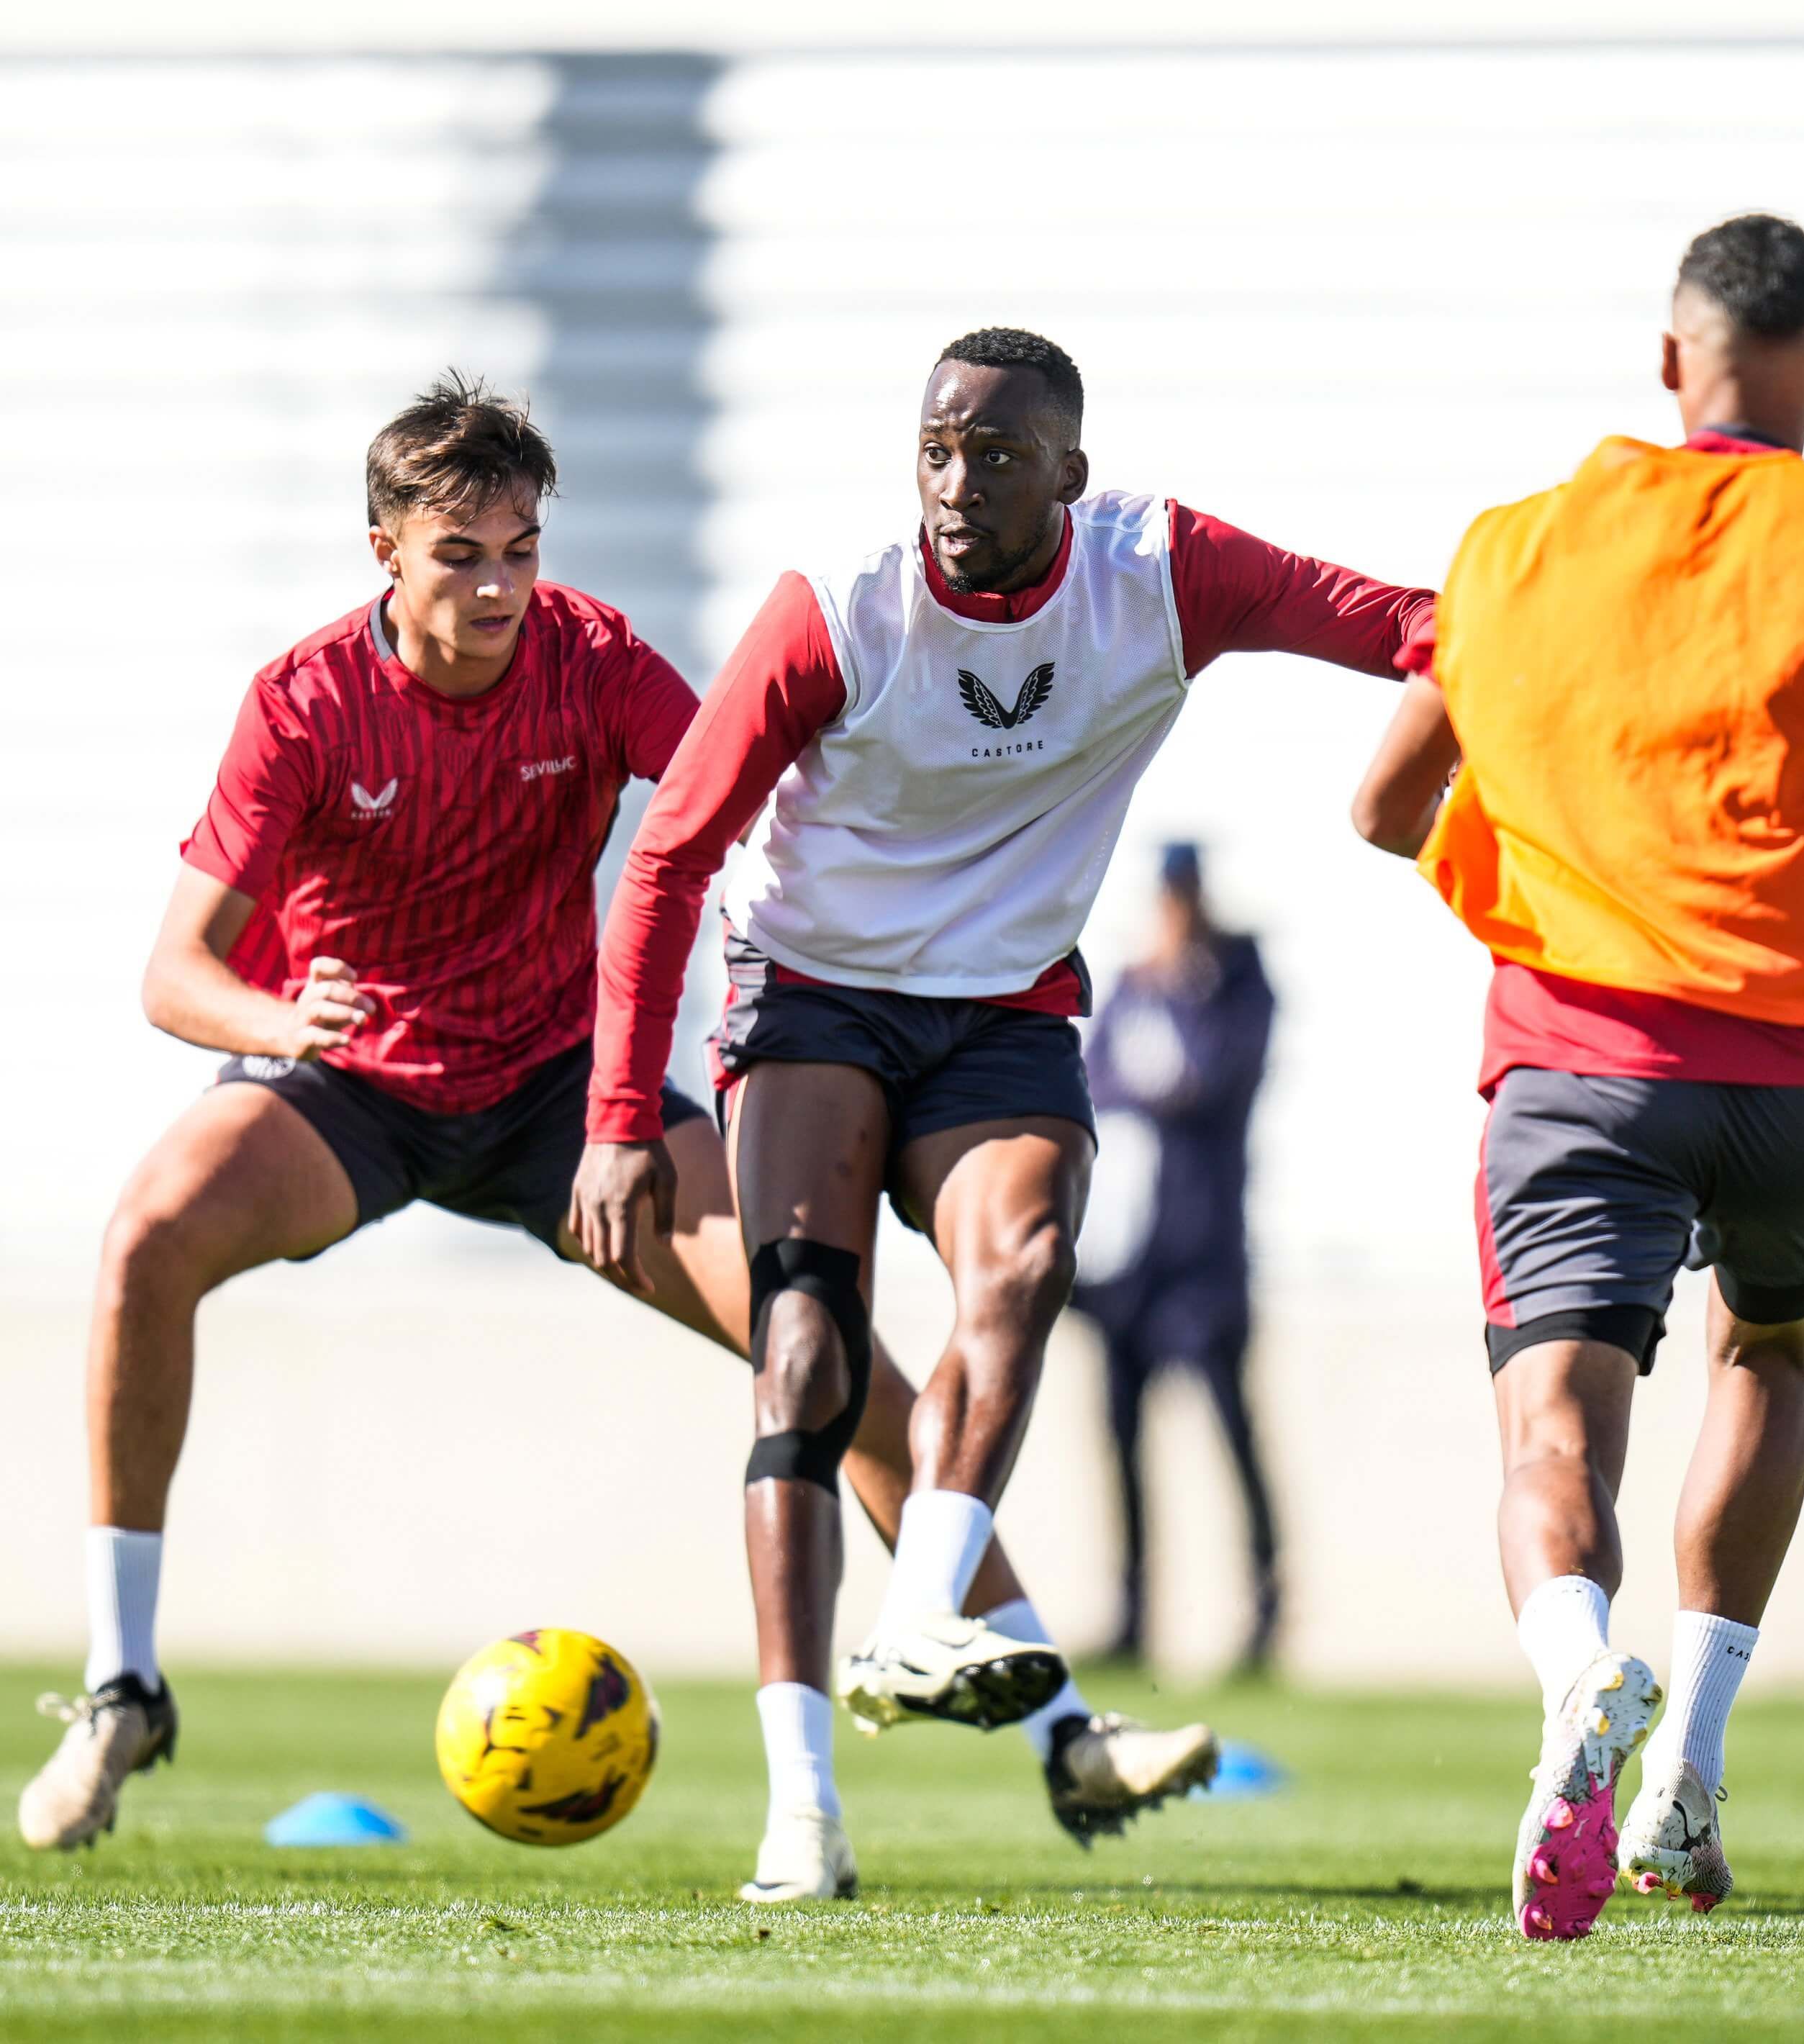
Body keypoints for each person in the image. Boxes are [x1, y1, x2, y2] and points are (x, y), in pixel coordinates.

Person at [14, 375, 1206, 1895]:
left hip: (563, 1096)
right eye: (460, 555)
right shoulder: (304, 702)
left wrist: (964, 857)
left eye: (520, 549)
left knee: (823, 1351)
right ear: (385, 551)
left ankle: (1062, 1731)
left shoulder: (590, 659)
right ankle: (122, 1687)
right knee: (144, 1242)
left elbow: (746, 794)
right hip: (350, 1083)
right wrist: (280, 1021)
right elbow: (172, 976)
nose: (499, 586)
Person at [574, 325, 1435, 1891]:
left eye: (995, 455)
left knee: (1027, 1265)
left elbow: (1404, 628)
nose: (956, 483)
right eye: (935, 449)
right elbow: (668, 855)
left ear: (1070, 477)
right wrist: (622, 1112)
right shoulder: (838, 609)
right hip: (814, 986)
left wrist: (1566, 648)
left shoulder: (1160, 575)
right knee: (807, 1358)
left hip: (1001, 1005)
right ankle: (802, 1811)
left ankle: (923, 1622)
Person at [1352, 215, 1804, 1940]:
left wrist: (1534, 871)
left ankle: (1578, 1674)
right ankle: (1689, 1772)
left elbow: (1379, 806)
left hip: (1582, 1062)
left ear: (1668, 361)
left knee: (1552, 1427)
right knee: (1762, 1351)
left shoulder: (1511, 551)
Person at [1070, 843, 1281, 1668]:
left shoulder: (1236, 985)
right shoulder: (1131, 986)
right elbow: (1093, 1084)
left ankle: (1264, 1610)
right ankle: (1130, 1616)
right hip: (1128, 1261)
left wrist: (1183, 993)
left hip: (1206, 1254)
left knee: (1232, 1431)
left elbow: (1211, 1079)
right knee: (1120, 1439)